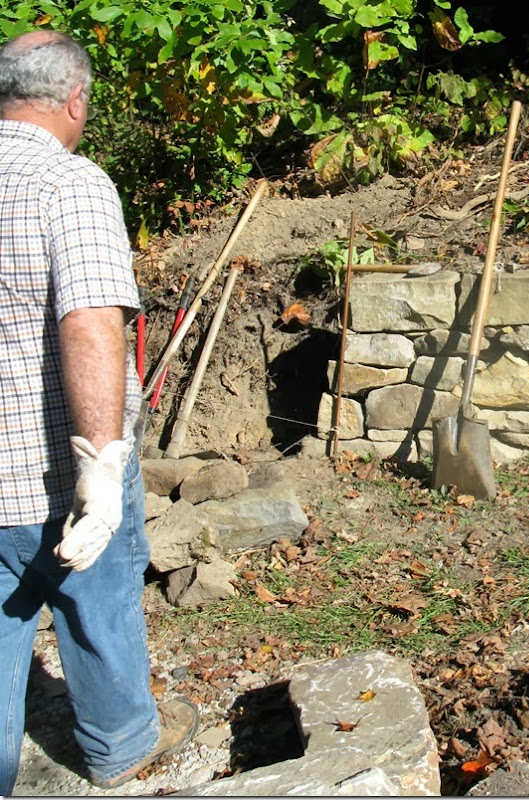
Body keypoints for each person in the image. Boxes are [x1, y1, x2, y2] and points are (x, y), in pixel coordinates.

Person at [0, 30, 198, 794]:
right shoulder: (68, 182)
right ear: (74, 99)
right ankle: (120, 743)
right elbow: (89, 322)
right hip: (49, 473)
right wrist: (102, 466)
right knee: (97, 595)